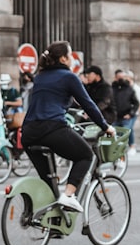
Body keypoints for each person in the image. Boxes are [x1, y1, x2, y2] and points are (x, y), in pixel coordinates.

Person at [22, 41, 115, 212]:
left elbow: (55, 99)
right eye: (70, 55)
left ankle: (53, 222)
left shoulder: (40, 77)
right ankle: (69, 195)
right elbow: (88, 104)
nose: (72, 59)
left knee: (49, 180)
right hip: (52, 128)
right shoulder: (69, 77)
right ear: (64, 58)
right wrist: (105, 126)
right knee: (86, 155)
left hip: (28, 132)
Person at [112, 70, 140, 153]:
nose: (121, 79)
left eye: (122, 77)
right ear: (115, 78)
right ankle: (116, 149)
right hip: (116, 116)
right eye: (119, 77)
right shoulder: (112, 88)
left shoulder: (129, 89)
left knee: (126, 130)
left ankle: (130, 147)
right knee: (113, 131)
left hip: (126, 115)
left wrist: (130, 114)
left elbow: (136, 103)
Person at [128, 70, 140, 155]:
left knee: (129, 128)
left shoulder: (136, 89)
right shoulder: (125, 88)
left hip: (134, 112)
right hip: (125, 112)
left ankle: (132, 146)